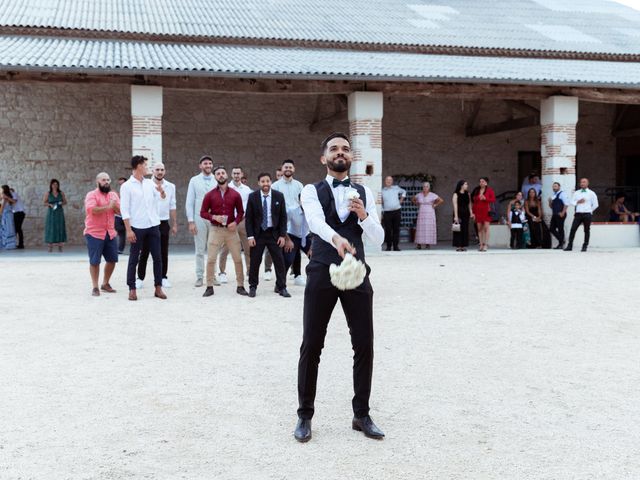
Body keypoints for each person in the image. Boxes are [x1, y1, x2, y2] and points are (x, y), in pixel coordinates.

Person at [295, 132, 385, 443]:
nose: (340, 152)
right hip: (321, 270)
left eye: (345, 149)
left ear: (350, 158)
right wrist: (336, 238)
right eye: (333, 148)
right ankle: (304, 415)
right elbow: (316, 222)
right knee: (312, 343)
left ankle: (361, 414)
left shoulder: (363, 192)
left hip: (356, 273)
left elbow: (379, 237)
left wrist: (362, 216)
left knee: (364, 344)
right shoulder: (310, 190)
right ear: (324, 158)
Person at [120, 155, 167, 301]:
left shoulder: (149, 184)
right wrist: (128, 230)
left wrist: (162, 192)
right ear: (139, 166)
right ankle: (132, 289)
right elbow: (124, 209)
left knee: (158, 258)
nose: (147, 168)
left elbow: (161, 197)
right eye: (145, 165)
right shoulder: (126, 186)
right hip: (137, 227)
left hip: (153, 225)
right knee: (134, 258)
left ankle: (158, 288)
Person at [200, 166, 249, 297]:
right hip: (215, 230)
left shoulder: (235, 194)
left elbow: (241, 212)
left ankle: (240, 285)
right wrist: (213, 217)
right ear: (215, 177)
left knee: (237, 258)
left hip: (231, 231)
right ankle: (209, 286)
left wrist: (236, 222)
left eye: (222, 173)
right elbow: (202, 212)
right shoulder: (209, 195)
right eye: (218, 174)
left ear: (227, 175)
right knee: (211, 259)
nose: (221, 175)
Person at [245, 172, 289, 298]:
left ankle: (282, 287)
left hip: (273, 234)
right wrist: (250, 236)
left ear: (271, 182)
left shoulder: (278, 196)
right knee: (255, 261)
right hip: (258, 234)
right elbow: (249, 218)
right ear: (259, 183)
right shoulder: (253, 197)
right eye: (262, 181)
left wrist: (282, 235)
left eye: (267, 181)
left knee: (279, 261)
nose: (265, 184)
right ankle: (253, 287)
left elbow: (283, 218)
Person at [136, 163, 177, 289]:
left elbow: (172, 205)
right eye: (157, 169)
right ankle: (140, 278)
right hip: (148, 222)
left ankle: (163, 277)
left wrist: (174, 223)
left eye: (162, 169)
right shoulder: (146, 184)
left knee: (163, 251)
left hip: (163, 222)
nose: (160, 172)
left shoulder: (171, 186)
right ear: (153, 171)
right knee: (145, 252)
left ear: (165, 171)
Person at [83, 173, 120, 296]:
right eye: (103, 180)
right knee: (95, 261)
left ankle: (105, 283)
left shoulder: (113, 195)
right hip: (94, 233)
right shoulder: (91, 195)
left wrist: (115, 207)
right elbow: (92, 210)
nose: (106, 182)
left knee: (112, 259)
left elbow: (120, 211)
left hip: (110, 233)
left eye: (108, 180)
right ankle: (95, 287)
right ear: (97, 182)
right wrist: (108, 206)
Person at [273, 159, 306, 285]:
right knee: (281, 251)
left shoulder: (299, 185)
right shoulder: (275, 186)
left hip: (295, 221)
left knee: (295, 248)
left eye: (290, 167)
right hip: (280, 221)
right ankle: (280, 278)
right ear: (282, 169)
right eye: (285, 167)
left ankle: (297, 275)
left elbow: (302, 202)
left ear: (294, 169)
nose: (288, 169)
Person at [185, 155, 216, 287]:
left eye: (210, 163)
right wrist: (191, 221)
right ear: (200, 166)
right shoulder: (194, 180)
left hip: (215, 218)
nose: (208, 165)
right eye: (205, 163)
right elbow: (189, 201)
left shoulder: (217, 179)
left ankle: (212, 276)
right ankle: (199, 276)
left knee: (213, 248)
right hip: (199, 217)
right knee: (200, 249)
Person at [219, 166, 252, 282]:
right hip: (230, 222)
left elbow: (249, 206)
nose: (237, 175)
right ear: (231, 175)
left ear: (242, 174)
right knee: (225, 248)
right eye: (234, 173)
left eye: (238, 173)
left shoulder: (247, 190)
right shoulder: (226, 188)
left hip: (243, 221)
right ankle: (222, 272)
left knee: (248, 247)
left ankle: (249, 271)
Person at [565, 178, 599, 252]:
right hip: (578, 214)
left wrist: (590, 210)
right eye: (581, 182)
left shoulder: (591, 193)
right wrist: (578, 202)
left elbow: (596, 204)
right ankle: (569, 245)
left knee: (586, 230)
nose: (582, 183)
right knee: (573, 229)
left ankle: (585, 246)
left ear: (587, 183)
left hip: (587, 214)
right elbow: (571, 202)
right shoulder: (576, 193)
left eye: (584, 182)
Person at [413, 181, 443, 249]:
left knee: (429, 228)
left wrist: (435, 204)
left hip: (430, 212)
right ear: (422, 187)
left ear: (429, 188)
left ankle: (428, 243)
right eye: (424, 186)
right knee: (420, 228)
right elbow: (413, 199)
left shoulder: (432, 195)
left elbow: (441, 200)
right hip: (422, 211)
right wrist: (417, 203)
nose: (425, 188)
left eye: (427, 186)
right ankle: (419, 244)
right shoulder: (419, 194)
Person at [380, 176, 406, 251]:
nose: (388, 181)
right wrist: (382, 210)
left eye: (390, 180)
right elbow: (381, 201)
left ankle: (396, 246)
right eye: (387, 180)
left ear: (392, 181)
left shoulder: (396, 188)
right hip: (387, 212)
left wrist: (401, 200)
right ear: (385, 181)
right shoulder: (382, 190)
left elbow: (404, 192)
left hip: (396, 211)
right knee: (388, 230)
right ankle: (388, 246)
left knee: (396, 229)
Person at [471, 177, 496, 252]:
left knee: (486, 228)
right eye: (480, 181)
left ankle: (486, 244)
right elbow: (474, 201)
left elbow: (493, 199)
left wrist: (485, 198)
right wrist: (473, 212)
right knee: (479, 229)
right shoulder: (476, 190)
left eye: (483, 181)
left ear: (486, 183)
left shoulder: (490, 190)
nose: (481, 183)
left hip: (486, 211)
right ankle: (481, 244)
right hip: (478, 211)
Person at [43, 178, 67, 252]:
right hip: (51, 213)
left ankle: (60, 246)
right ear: (51, 185)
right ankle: (50, 247)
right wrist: (50, 204)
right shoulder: (48, 193)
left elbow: (65, 201)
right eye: (53, 184)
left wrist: (61, 203)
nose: (55, 186)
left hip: (59, 212)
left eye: (56, 184)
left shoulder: (61, 193)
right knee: (51, 227)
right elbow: (44, 202)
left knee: (60, 227)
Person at [452, 180, 473, 252]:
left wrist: (471, 213)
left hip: (466, 213)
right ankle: (458, 245)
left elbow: (470, 204)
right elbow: (455, 205)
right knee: (458, 229)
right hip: (459, 213)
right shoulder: (456, 194)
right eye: (465, 184)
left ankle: (463, 245)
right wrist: (456, 216)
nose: (467, 186)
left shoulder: (468, 194)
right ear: (461, 185)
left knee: (465, 229)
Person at [548, 182, 569, 249]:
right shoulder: (554, 195)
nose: (554, 188)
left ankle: (560, 244)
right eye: (553, 186)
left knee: (560, 229)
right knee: (551, 228)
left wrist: (563, 213)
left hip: (560, 214)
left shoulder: (562, 194)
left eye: (555, 186)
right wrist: (549, 202)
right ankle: (561, 241)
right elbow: (551, 207)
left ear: (559, 187)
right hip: (554, 214)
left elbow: (566, 204)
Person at [0, 185, 17, 250]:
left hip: (5, 215)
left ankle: (5, 244)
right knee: (10, 229)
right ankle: (10, 245)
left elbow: (1, 209)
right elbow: (14, 202)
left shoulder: (4, 198)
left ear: (3, 190)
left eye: (1, 189)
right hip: (10, 215)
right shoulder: (8, 197)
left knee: (5, 229)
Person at [115, 177, 128, 254]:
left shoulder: (131, 193)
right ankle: (119, 249)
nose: (121, 185)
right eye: (120, 184)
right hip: (119, 217)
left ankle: (139, 249)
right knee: (121, 233)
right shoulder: (118, 195)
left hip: (129, 217)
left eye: (123, 183)